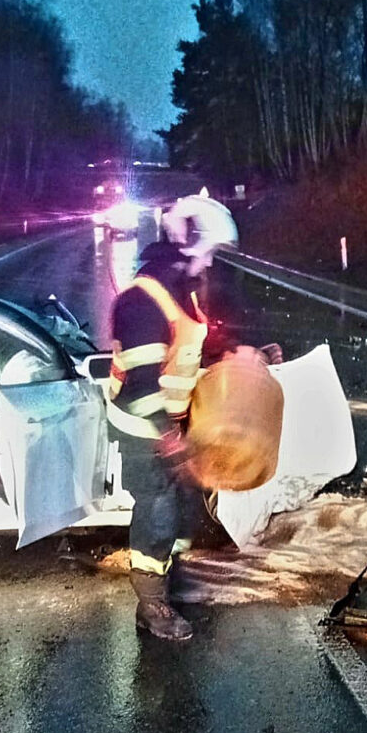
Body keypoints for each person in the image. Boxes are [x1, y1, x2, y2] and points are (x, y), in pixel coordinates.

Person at [107, 195, 238, 640]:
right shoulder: (143, 302)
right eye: (211, 251)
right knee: (158, 514)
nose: (211, 262)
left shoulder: (181, 293)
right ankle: (151, 605)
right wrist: (170, 440)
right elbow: (141, 387)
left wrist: (238, 358)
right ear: (190, 244)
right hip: (143, 429)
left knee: (181, 512)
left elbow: (185, 356)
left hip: (169, 424)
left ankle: (168, 578)